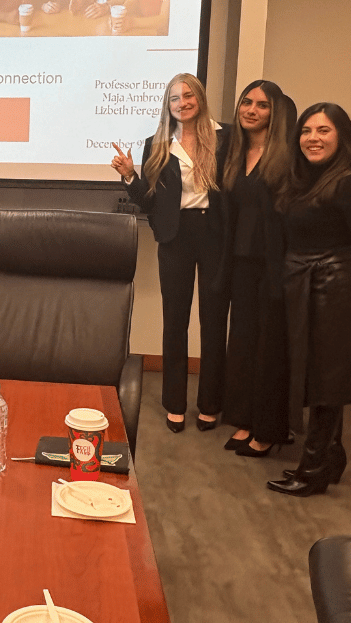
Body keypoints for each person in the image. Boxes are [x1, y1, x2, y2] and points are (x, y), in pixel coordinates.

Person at [110, 73, 229, 433]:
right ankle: (175, 403)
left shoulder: (224, 137)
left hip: (216, 233)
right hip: (176, 236)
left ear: (199, 98)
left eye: (189, 96)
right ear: (168, 104)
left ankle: (210, 404)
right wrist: (131, 176)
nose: (183, 103)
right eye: (175, 98)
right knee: (175, 321)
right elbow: (150, 201)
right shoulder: (157, 143)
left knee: (213, 321)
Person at [267, 103, 351, 497]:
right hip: (300, 278)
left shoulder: (348, 181)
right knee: (315, 372)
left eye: (323, 130)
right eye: (306, 130)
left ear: (341, 136)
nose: (313, 138)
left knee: (326, 377)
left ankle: (313, 467)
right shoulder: (302, 178)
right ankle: (332, 455)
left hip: (333, 283)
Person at [220, 81, 296, 457]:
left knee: (270, 348)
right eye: (246, 103)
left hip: (275, 264)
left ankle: (268, 430)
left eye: (262, 105)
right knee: (244, 343)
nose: (251, 110)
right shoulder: (236, 152)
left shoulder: (289, 155)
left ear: (275, 112)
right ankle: (246, 419)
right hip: (241, 263)